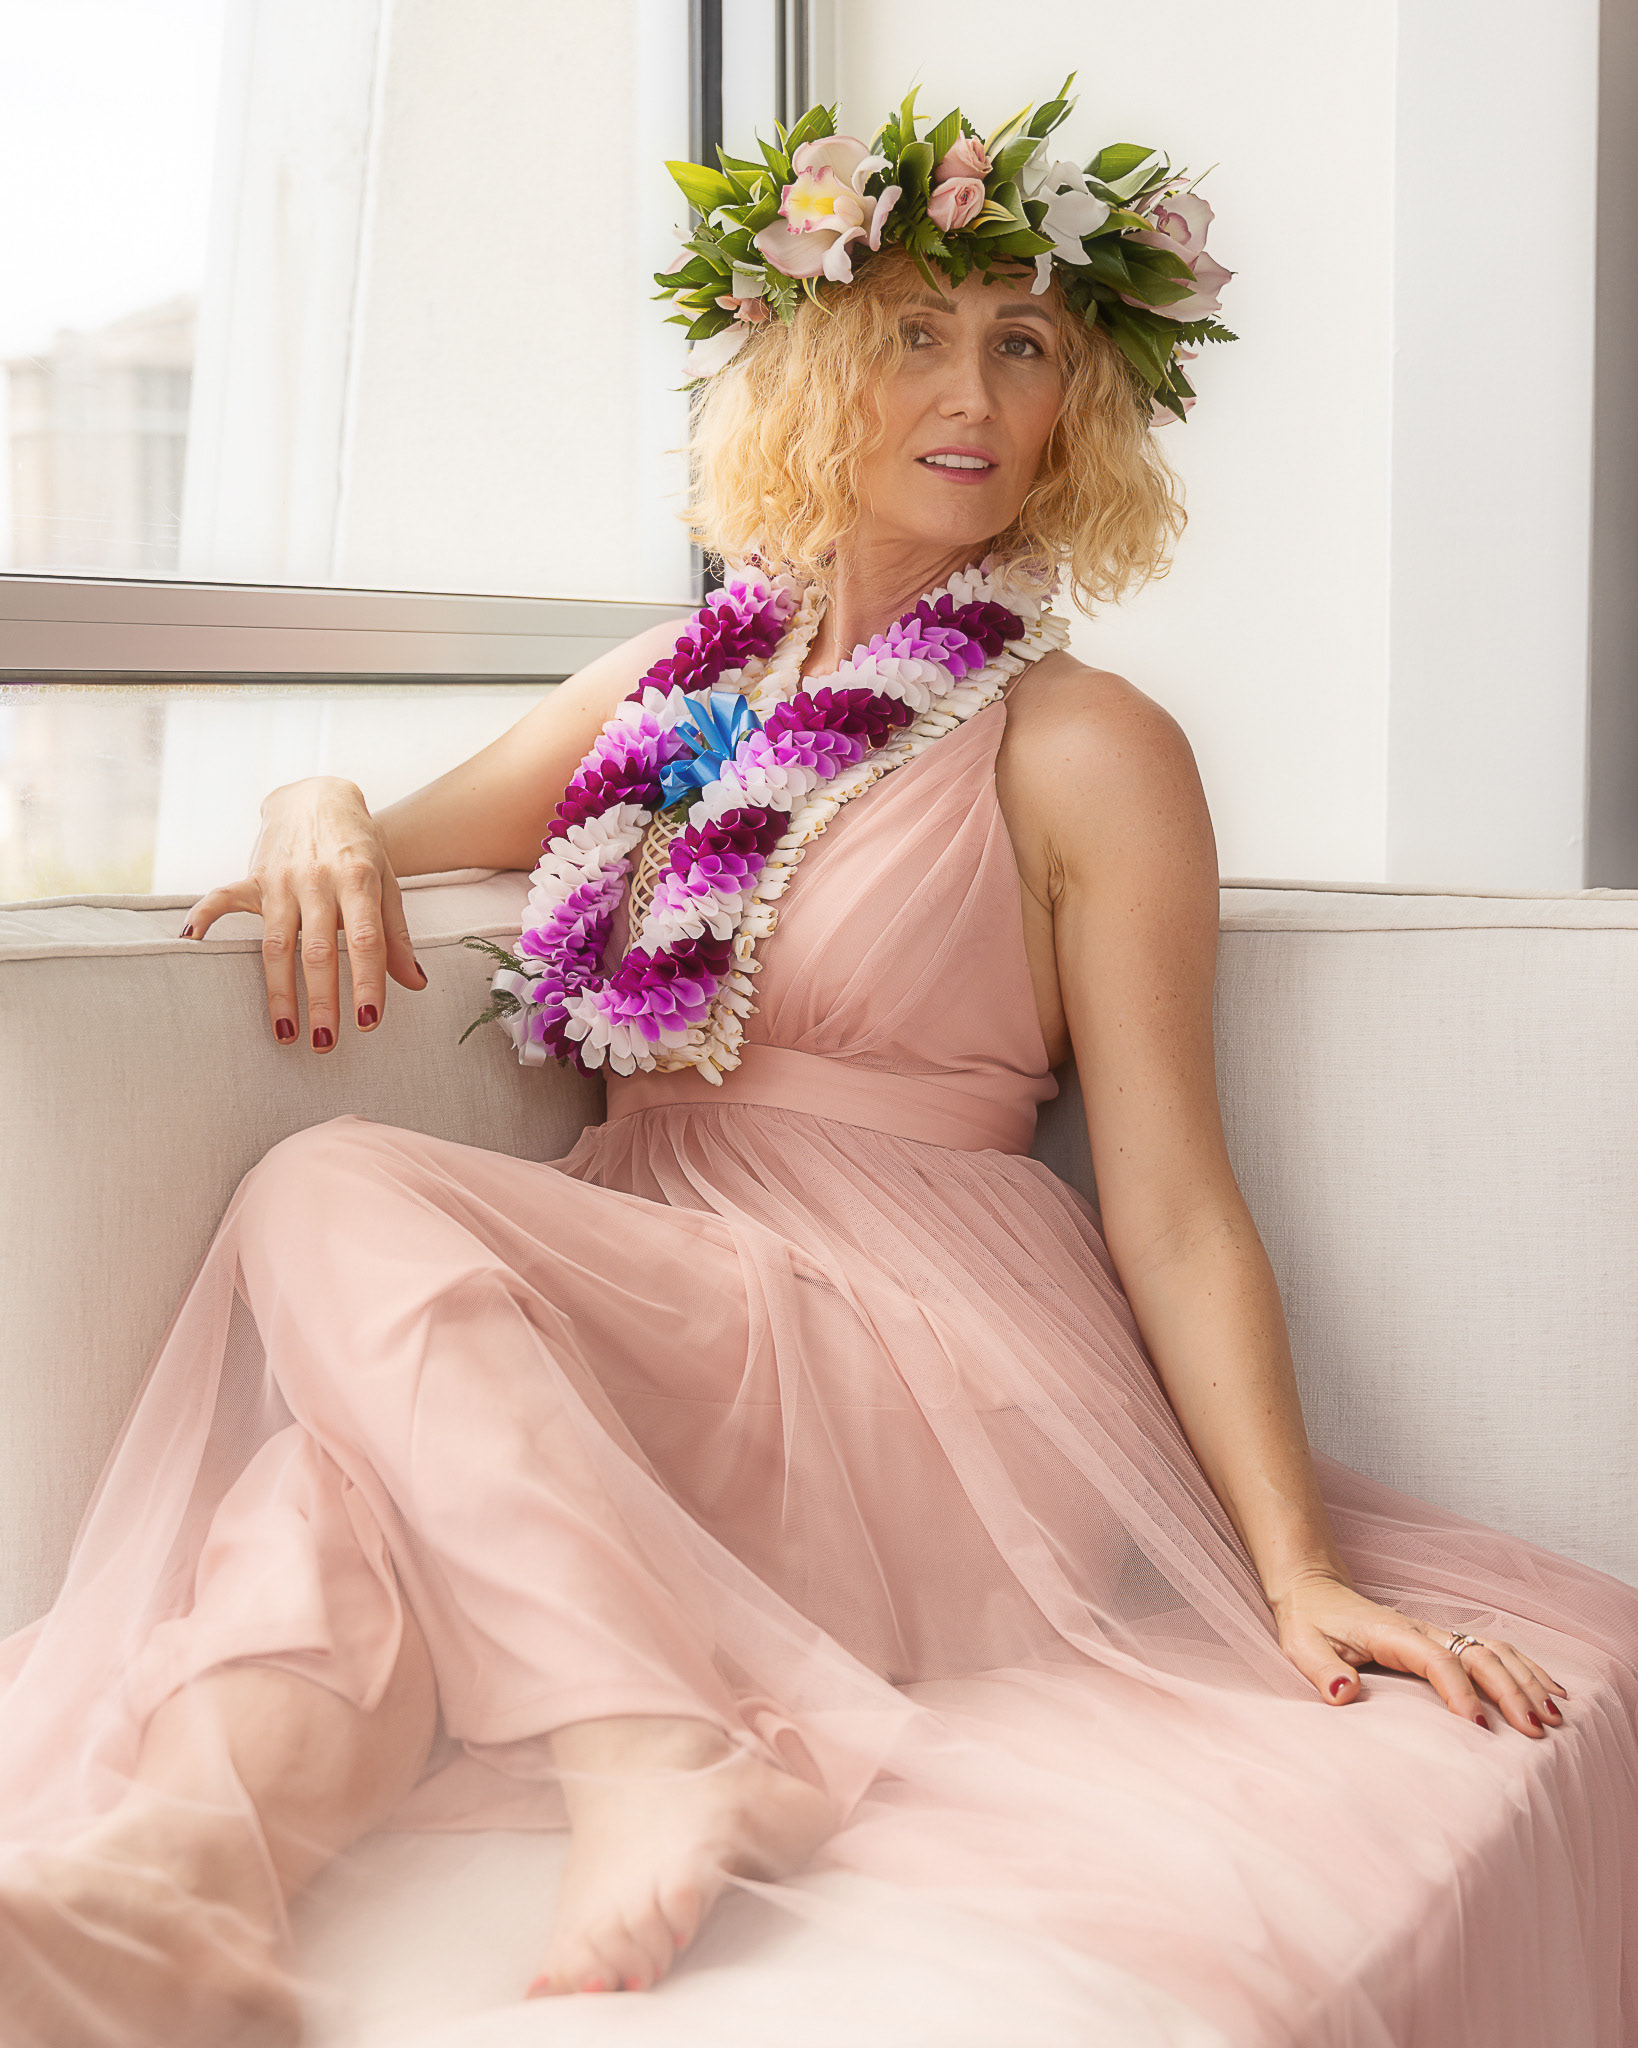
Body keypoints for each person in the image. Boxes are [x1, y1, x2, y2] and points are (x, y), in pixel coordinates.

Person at [1, 86, 1634, 2048]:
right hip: (648, 1298)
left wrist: (1293, 1570)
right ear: (802, 362)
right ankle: (168, 1897)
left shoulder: (1088, 743)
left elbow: (1175, 1199)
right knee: (339, 1494)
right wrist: (310, 800)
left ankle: (651, 1733)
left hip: (916, 1362)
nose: (973, 391)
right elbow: (400, 822)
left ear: (1080, 405)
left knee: (328, 1186)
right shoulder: (678, 691)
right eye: (915, 330)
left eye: (1024, 343)